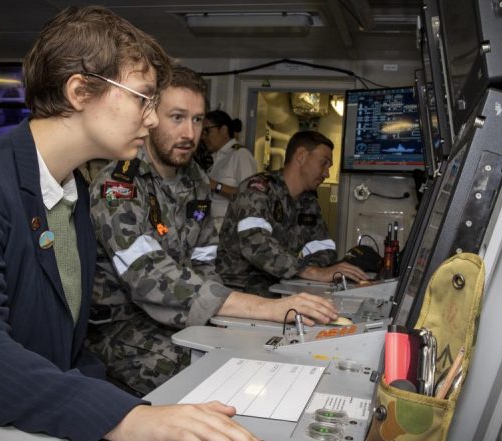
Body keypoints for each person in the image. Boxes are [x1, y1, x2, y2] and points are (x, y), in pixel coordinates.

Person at [0, 7, 262, 441]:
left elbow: (65, 347)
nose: (151, 117)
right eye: (143, 98)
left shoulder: (75, 191)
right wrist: (125, 419)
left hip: (20, 420)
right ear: (80, 91)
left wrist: (135, 411)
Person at [88, 66, 338, 396]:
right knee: (224, 380)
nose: (190, 133)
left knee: (262, 352)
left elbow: (206, 263)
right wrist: (260, 308)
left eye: (197, 120)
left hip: (185, 317)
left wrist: (229, 322)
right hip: (122, 330)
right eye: (176, 117)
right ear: (149, 116)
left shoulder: (195, 180)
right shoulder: (118, 184)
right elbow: (148, 277)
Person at [217, 130, 369, 296]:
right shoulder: (258, 190)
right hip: (239, 292)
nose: (326, 173)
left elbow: (324, 246)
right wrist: (310, 272)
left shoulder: (308, 201)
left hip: (280, 289)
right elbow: (255, 245)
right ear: (301, 156)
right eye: (324, 163)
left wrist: (316, 273)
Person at [202, 110, 258, 228]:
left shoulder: (240, 155)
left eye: (207, 131)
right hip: (211, 229)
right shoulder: (217, 158)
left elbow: (249, 196)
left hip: (229, 230)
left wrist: (214, 185)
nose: (203, 137)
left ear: (223, 130)